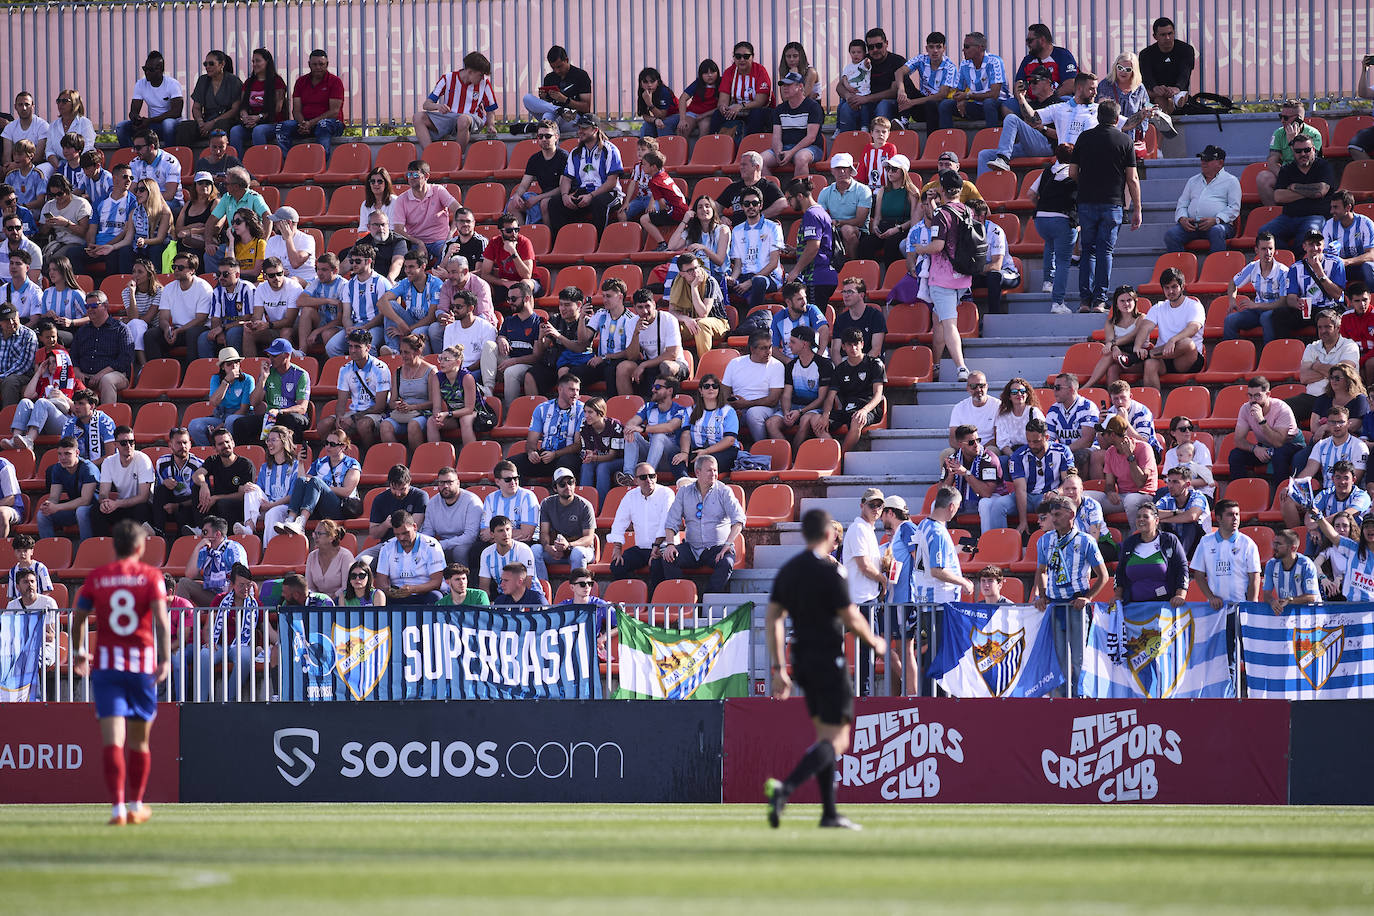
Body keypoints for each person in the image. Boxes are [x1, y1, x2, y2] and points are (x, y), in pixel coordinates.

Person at [765, 507, 886, 830]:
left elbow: (774, 619)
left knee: (824, 737)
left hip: (802, 660)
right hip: (828, 661)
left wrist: (779, 668)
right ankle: (785, 789)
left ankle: (829, 814)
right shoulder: (830, 571)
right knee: (838, 741)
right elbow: (850, 616)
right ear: (829, 535)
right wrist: (874, 641)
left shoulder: (789, 570)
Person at [71, 520, 169, 825]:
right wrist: (164, 660)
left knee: (113, 741)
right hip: (140, 668)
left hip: (107, 668)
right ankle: (136, 805)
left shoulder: (98, 577)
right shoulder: (151, 576)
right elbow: (162, 622)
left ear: (115, 547)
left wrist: (77, 650)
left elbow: (78, 618)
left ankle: (116, 809)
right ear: (140, 547)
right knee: (139, 743)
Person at [888, 487, 974, 686]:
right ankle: (935, 703)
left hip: (929, 602)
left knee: (932, 655)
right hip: (939, 603)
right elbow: (936, 570)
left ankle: (930, 700)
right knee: (939, 657)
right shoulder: (937, 532)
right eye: (958, 507)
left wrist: (956, 550)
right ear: (951, 506)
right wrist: (964, 582)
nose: (957, 511)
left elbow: (926, 561)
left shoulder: (924, 525)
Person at [1073, 99, 1142, 311]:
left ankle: (1085, 300)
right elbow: (1133, 179)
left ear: (1097, 117)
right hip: (1112, 204)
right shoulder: (1124, 140)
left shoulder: (1084, 138)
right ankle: (1100, 300)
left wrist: (1084, 187)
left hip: (1086, 203)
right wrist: (1137, 208)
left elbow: (1072, 172)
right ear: (1115, 118)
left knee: (1088, 251)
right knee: (1105, 252)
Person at [1032, 494, 1109, 681]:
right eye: (1052, 515)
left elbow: (1103, 576)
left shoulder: (1086, 541)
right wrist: (1042, 595)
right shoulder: (1044, 541)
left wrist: (1088, 597)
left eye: (1058, 514)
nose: (1054, 519)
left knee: (1078, 656)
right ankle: (1061, 701)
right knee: (1057, 657)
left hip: (1076, 605)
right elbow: (1041, 571)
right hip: (1055, 605)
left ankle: (1079, 697)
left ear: (1071, 514)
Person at [656, 454, 746, 593]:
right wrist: (670, 544)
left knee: (726, 563)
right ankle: (684, 596)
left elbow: (739, 519)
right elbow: (671, 521)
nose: (714, 474)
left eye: (715, 470)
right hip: (692, 547)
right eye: (709, 470)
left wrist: (727, 544)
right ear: (698, 472)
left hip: (718, 547)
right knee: (668, 558)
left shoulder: (724, 491)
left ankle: (707, 602)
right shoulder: (684, 492)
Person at [983, 417, 1074, 533]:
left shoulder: (1062, 451)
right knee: (998, 505)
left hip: (1048, 495)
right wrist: (1023, 521)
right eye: (1029, 441)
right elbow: (1020, 489)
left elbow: (1068, 481)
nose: (1032, 445)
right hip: (1026, 495)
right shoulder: (1018, 455)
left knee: (1049, 505)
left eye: (1036, 441)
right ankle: (1001, 544)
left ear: (1046, 437)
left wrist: (1057, 492)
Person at [928, 170, 973, 381]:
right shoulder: (967, 210)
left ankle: (961, 367)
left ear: (942, 190)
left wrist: (919, 248)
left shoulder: (941, 214)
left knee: (948, 324)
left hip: (943, 278)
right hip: (963, 276)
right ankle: (936, 364)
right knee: (938, 320)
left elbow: (937, 246)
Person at [1133, 268, 1206, 390]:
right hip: (1163, 356)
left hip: (1187, 358)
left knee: (1187, 343)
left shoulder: (1195, 306)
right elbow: (1145, 327)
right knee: (1150, 364)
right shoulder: (1159, 307)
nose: (1170, 291)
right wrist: (1137, 346)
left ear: (1182, 287)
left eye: (1174, 287)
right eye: (1166, 288)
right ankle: (1152, 406)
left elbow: (1193, 328)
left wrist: (1173, 340)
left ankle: (1148, 355)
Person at [549, 114, 623, 234]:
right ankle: (564, 241)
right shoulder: (575, 152)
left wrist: (591, 196)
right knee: (555, 203)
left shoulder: (610, 150)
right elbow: (567, 179)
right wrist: (565, 196)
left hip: (608, 193)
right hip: (584, 192)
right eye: (579, 128)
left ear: (595, 130)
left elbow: (611, 182)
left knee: (598, 203)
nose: (580, 131)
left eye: (584, 128)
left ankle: (599, 242)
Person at [1262, 134, 1335, 253]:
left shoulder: (1323, 166)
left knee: (1308, 235)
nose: (1303, 154)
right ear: (1293, 151)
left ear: (1313, 150)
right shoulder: (1287, 170)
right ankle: (1287, 258)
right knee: (1264, 233)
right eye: (1298, 151)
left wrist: (1294, 187)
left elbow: (1320, 191)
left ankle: (1300, 263)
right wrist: (1311, 192)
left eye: (1307, 150)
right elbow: (1278, 196)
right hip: (1288, 217)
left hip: (1315, 216)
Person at [818, 327, 886, 452]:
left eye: (856, 344)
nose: (854, 348)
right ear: (843, 347)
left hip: (868, 410)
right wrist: (825, 415)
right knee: (816, 421)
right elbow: (830, 397)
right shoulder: (839, 369)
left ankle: (840, 458)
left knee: (857, 420)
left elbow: (878, 395)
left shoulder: (875, 364)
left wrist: (864, 410)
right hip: (846, 410)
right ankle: (833, 453)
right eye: (849, 345)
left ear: (862, 344)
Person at [1290, 309, 1361, 427]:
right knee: (1281, 409)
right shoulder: (1312, 347)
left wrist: (1316, 366)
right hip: (1312, 399)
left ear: (1338, 328)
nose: (1323, 331)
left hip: (1340, 400)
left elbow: (1343, 374)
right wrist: (1333, 370)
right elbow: (1304, 378)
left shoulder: (1350, 346)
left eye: (1328, 327)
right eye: (1320, 327)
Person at [414, 52, 497, 151]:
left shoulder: (484, 83)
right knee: (418, 117)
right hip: (450, 118)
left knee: (463, 119)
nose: (482, 77)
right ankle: (430, 153)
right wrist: (438, 107)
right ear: (470, 72)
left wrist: (491, 125)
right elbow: (426, 104)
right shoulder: (448, 78)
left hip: (471, 118)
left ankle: (458, 158)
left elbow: (490, 110)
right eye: (480, 74)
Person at [1165, 145, 1241, 254]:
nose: (1203, 162)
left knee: (1217, 231)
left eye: (1208, 159)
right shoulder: (1192, 181)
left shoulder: (1231, 181)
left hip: (1219, 225)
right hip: (1192, 226)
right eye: (1202, 159)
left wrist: (1216, 220)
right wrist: (1183, 219)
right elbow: (1182, 204)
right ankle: (1178, 270)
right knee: (1171, 235)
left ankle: (1216, 268)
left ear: (1220, 163)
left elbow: (1234, 208)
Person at [324, 329, 390, 450]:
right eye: (350, 346)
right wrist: (339, 417)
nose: (353, 350)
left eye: (357, 347)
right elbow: (341, 401)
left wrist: (353, 418)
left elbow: (380, 406)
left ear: (368, 348)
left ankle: (368, 456)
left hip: (378, 413)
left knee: (363, 424)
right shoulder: (345, 369)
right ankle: (332, 458)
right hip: (355, 412)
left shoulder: (381, 368)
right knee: (325, 424)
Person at [1276, 230, 1347, 343]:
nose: (1315, 248)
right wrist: (1296, 303)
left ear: (1323, 245)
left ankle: (1322, 354)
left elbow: (1337, 294)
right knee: (1279, 315)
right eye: (1311, 244)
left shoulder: (1336, 263)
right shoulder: (1295, 268)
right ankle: (1286, 349)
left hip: (1329, 308)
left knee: (1323, 320)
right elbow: (1290, 298)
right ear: (1304, 246)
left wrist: (1320, 273)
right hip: (1307, 309)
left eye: (1318, 244)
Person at [1228, 376, 1304, 481]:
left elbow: (1278, 443)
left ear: (1268, 394)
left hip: (1291, 444)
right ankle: (1240, 491)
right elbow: (1238, 440)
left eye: (1257, 396)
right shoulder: (1245, 408)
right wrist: (1255, 449)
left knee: (1279, 454)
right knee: (1235, 455)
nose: (1253, 401)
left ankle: (1281, 492)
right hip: (1266, 446)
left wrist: (1261, 420)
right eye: (1250, 396)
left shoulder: (1282, 408)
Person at [607, 461, 674, 580]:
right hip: (642, 548)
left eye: (652, 476)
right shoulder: (630, 496)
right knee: (617, 566)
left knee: (656, 566)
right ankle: (632, 594)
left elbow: (666, 522)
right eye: (643, 477)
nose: (649, 480)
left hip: (663, 546)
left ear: (656, 477)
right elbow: (619, 523)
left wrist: (656, 546)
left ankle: (654, 598)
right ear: (636, 481)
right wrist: (617, 549)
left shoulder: (666, 493)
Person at [513, 372, 585, 481]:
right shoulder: (542, 409)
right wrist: (531, 452)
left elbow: (577, 445)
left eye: (577, 390)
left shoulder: (582, 410)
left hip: (569, 456)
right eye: (571, 389)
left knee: (564, 465)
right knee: (510, 465)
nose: (575, 394)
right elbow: (531, 441)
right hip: (546, 455)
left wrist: (555, 454)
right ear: (560, 389)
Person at [765, 329, 830, 449]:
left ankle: (794, 457)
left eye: (793, 342)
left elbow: (821, 399)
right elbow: (786, 395)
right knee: (771, 423)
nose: (789, 345)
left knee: (805, 420)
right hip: (794, 408)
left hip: (814, 408)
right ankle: (786, 455)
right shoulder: (791, 366)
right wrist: (786, 413)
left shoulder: (824, 364)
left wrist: (800, 412)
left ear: (804, 344)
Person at [619, 375, 690, 482]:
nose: (653, 390)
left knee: (659, 435)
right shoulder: (649, 406)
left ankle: (647, 473)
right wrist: (630, 428)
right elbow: (632, 422)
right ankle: (628, 475)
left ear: (670, 390)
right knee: (633, 433)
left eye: (657, 387)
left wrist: (643, 428)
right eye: (653, 386)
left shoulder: (680, 410)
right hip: (651, 453)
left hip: (670, 458)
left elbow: (670, 427)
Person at [1223, 232, 1291, 343]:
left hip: (1276, 311)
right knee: (1230, 320)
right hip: (1257, 310)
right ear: (1256, 250)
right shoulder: (1252, 267)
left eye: (1270, 248)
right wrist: (1232, 301)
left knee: (1266, 318)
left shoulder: (1283, 271)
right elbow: (1232, 283)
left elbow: (1284, 302)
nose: (1268, 253)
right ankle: (1231, 354)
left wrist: (1256, 305)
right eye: (1264, 249)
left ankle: (1268, 355)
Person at [1116, 503, 1189, 605]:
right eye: (1138, 517)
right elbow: (1120, 573)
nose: (1141, 519)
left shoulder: (1169, 540)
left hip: (1164, 606)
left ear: (1156, 520)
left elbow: (1182, 568)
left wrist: (1180, 595)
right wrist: (1118, 596)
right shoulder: (1129, 543)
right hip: (1133, 608)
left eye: (1146, 516)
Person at [276, 49, 346, 156]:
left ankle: (320, 163)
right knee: (282, 127)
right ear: (309, 65)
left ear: (327, 64)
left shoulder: (335, 81)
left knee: (323, 125)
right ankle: (289, 162)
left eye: (321, 64)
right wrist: (303, 124)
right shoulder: (301, 81)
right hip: (305, 124)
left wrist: (310, 123)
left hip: (331, 124)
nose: (318, 67)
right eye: (314, 64)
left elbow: (334, 112)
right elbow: (296, 110)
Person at [1094, 414, 1158, 531]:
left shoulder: (1144, 448)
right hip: (1122, 498)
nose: (1101, 437)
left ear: (1112, 435)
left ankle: (1138, 538)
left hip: (1144, 495)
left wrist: (1130, 456)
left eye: (1103, 433)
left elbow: (1140, 482)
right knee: (1087, 498)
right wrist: (1110, 492)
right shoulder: (1110, 452)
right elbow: (1109, 484)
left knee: (1131, 500)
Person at [532, 466, 595, 583]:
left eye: (570, 482)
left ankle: (577, 591)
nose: (568, 487)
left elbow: (589, 538)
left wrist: (569, 545)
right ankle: (543, 591)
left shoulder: (585, 505)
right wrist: (547, 547)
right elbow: (544, 532)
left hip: (581, 550)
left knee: (578, 553)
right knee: (535, 550)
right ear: (555, 488)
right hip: (557, 551)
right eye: (562, 484)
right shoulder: (547, 503)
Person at [202, 166, 269, 275]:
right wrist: (208, 242)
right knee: (210, 255)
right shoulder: (226, 198)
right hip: (234, 241)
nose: (224, 186)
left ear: (236, 186)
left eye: (227, 184)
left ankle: (234, 277)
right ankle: (217, 284)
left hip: (252, 242)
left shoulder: (255, 198)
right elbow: (211, 220)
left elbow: (268, 217)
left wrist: (264, 241)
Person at [70, 291, 134, 405]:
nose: (90, 309)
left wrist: (102, 374)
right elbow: (73, 355)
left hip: (114, 375)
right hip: (84, 375)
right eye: (87, 306)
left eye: (94, 305)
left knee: (107, 380)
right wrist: (76, 370)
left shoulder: (121, 329)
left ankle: (107, 419)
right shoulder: (82, 331)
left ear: (105, 306)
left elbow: (125, 359)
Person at [835, 28, 904, 132]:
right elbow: (840, 86)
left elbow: (894, 91)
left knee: (883, 106)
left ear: (886, 43)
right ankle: (847, 144)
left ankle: (880, 145)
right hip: (864, 103)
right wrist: (848, 96)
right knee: (846, 107)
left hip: (886, 103)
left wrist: (867, 99)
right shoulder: (863, 61)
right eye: (871, 47)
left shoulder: (897, 61)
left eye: (879, 45)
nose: (875, 49)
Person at [725, 188, 785, 308]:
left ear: (761, 205)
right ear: (742, 207)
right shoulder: (737, 230)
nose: (751, 207)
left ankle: (753, 319)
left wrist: (750, 282)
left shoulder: (773, 227)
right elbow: (738, 265)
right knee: (721, 281)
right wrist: (732, 278)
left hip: (768, 277)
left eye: (755, 203)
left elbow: (773, 263)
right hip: (744, 276)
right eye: (747, 204)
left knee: (758, 282)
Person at [380, 334, 440, 451]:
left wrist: (413, 407)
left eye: (406, 352)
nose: (402, 356)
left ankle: (417, 460)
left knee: (413, 425)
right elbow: (392, 401)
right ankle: (397, 460)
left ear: (417, 352)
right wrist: (398, 405)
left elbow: (433, 402)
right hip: (403, 413)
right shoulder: (398, 372)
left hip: (422, 413)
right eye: (401, 352)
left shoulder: (431, 371)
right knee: (384, 426)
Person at [391, 160, 460, 262]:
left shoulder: (438, 190)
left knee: (450, 256)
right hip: (415, 242)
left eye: (415, 174)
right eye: (409, 174)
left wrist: (450, 235)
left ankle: (437, 275)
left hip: (440, 240)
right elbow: (398, 229)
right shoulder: (401, 199)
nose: (411, 178)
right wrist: (419, 242)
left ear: (426, 176)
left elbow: (460, 211)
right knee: (410, 261)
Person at [515, 45, 592, 135]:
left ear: (566, 60)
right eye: (553, 68)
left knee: (548, 116)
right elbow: (545, 104)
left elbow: (586, 108)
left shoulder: (581, 75)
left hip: (573, 119)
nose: (557, 71)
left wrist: (565, 100)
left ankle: (540, 127)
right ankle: (558, 110)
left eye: (559, 67)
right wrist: (544, 98)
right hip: (555, 115)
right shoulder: (549, 78)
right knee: (527, 98)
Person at [243, 424, 301, 542]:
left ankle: (267, 549)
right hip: (266, 506)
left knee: (272, 513)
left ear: (284, 441)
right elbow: (259, 491)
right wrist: (249, 487)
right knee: (251, 488)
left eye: (273, 440)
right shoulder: (265, 467)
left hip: (286, 509)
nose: (269, 443)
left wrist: (271, 506)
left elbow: (293, 496)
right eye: (268, 440)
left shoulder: (296, 466)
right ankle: (249, 527)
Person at [174, 48, 241, 150]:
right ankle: (182, 161)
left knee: (220, 126)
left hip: (224, 120)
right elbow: (196, 107)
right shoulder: (203, 80)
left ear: (222, 64)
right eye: (205, 64)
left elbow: (235, 109)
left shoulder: (233, 81)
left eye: (211, 64)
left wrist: (213, 122)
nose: (207, 67)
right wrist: (201, 122)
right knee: (184, 127)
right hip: (206, 120)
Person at [375, 510, 446, 604]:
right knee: (380, 597)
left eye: (405, 533)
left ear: (415, 527)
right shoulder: (387, 547)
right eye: (397, 534)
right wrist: (389, 591)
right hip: (398, 594)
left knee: (436, 596)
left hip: (425, 592)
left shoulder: (431, 545)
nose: (401, 538)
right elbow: (381, 581)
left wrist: (413, 589)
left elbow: (437, 582)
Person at [174, 514, 247, 605]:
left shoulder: (234, 549)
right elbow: (189, 574)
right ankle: (181, 618)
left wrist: (228, 603)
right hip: (212, 595)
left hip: (232, 597)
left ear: (217, 534)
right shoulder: (204, 551)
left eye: (205, 532)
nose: (202, 536)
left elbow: (241, 577)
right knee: (184, 583)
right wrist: (197, 548)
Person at [191, 425, 254, 531]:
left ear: (233, 443)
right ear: (215, 448)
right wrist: (203, 485)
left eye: (227, 442)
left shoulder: (245, 464)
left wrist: (217, 498)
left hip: (237, 507)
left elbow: (242, 496)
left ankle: (225, 533)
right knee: (197, 488)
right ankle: (201, 528)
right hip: (217, 503)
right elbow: (197, 475)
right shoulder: (213, 460)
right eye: (220, 444)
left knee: (223, 503)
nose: (225, 446)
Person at [476, 459, 540, 561]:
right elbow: (485, 534)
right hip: (498, 543)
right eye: (508, 479)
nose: (513, 482)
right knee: (475, 551)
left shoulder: (527, 497)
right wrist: (508, 535)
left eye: (516, 478)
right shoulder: (490, 498)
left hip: (524, 543)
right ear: (497, 481)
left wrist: (496, 534)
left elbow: (526, 534)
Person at [761, 73, 822, 179]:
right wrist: (778, 152)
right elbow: (776, 137)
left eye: (789, 85)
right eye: (783, 85)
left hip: (811, 148)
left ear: (800, 86)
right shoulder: (779, 109)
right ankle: (773, 192)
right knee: (759, 161)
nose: (784, 88)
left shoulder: (813, 107)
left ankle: (799, 193)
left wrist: (791, 152)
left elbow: (811, 138)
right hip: (786, 147)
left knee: (801, 158)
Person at [941, 31, 1008, 128]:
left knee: (988, 103)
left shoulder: (994, 62)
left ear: (980, 48)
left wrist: (967, 96)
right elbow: (959, 90)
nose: (963, 50)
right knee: (945, 105)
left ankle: (993, 140)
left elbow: (994, 95)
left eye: (967, 46)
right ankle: (947, 140)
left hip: (998, 106)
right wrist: (960, 100)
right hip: (977, 104)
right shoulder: (965, 64)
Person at [894, 31, 958, 133]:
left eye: (938, 47)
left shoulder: (950, 67)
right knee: (902, 79)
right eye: (931, 47)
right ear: (926, 49)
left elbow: (941, 95)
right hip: (921, 104)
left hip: (938, 108)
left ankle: (931, 142)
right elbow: (899, 72)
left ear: (944, 49)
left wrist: (912, 103)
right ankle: (904, 120)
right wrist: (901, 90)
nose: (935, 51)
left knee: (931, 104)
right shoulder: (921, 59)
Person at [229, 47, 289, 155]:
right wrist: (245, 117)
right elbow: (243, 106)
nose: (255, 64)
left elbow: (277, 108)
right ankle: (238, 166)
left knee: (258, 131)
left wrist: (259, 118)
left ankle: (261, 164)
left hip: (272, 123)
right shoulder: (249, 82)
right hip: (251, 122)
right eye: (253, 61)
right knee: (235, 131)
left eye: (258, 61)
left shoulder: (277, 81)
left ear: (267, 62)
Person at [505, 121, 567, 226]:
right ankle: (522, 238)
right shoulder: (534, 159)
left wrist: (538, 198)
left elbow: (562, 188)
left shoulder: (563, 157)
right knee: (513, 205)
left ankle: (549, 238)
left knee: (544, 204)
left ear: (556, 137)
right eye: (540, 136)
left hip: (560, 198)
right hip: (543, 196)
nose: (543, 139)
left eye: (548, 136)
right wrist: (517, 196)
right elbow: (524, 185)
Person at [36, 435, 96, 540]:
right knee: (42, 514)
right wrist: (49, 505)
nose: (63, 458)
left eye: (67, 454)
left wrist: (57, 507)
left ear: (77, 453)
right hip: (73, 508)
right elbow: (54, 497)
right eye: (60, 454)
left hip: (93, 510)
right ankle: (48, 550)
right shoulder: (58, 468)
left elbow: (85, 501)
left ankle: (86, 549)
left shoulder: (88, 468)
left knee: (81, 511)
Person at [679, 372, 742, 474]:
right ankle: (683, 481)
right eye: (706, 386)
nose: (711, 389)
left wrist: (706, 452)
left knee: (707, 464)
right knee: (677, 459)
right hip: (698, 450)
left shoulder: (728, 411)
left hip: (724, 451)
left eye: (715, 386)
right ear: (701, 391)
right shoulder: (690, 410)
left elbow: (730, 440)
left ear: (718, 390)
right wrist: (684, 453)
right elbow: (685, 434)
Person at [420, 466, 484, 564]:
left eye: (449, 482)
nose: (445, 486)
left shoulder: (472, 501)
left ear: (458, 483)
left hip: (467, 544)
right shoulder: (432, 503)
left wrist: (443, 544)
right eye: (441, 482)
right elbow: (428, 531)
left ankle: (464, 578)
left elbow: (470, 536)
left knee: (460, 551)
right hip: (443, 543)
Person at [861, 154, 916, 266]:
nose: (890, 172)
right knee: (866, 243)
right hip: (884, 227)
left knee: (891, 244)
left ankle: (890, 278)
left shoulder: (912, 191)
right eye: (887, 168)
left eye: (894, 169)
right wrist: (875, 227)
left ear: (903, 172)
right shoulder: (882, 191)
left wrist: (897, 229)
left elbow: (914, 219)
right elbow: (877, 216)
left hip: (902, 228)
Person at [711, 41, 772, 137]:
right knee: (717, 114)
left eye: (746, 56)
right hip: (735, 110)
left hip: (755, 109)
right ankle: (716, 144)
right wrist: (723, 107)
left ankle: (751, 146)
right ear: (734, 58)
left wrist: (740, 106)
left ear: (752, 57)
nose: (742, 59)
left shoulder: (760, 71)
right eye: (738, 56)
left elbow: (760, 101)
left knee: (756, 114)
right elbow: (723, 100)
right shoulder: (729, 72)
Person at [478, 213, 538, 308]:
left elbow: (526, 275)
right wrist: (504, 282)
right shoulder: (494, 242)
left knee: (524, 285)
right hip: (506, 283)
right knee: (483, 286)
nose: (514, 234)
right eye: (509, 231)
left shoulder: (524, 242)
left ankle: (528, 318)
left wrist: (513, 252)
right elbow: (485, 274)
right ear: (500, 232)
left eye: (516, 230)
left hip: (529, 282)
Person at [1138, 17, 1195, 114]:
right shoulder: (1146, 54)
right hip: (1154, 95)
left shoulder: (1186, 50)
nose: (1167, 38)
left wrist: (1177, 88)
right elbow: (1146, 76)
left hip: (1177, 91)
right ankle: (1163, 119)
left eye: (1170, 33)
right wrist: (1155, 87)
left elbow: (1185, 73)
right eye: (1163, 35)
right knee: (1157, 98)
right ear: (1155, 36)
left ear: (1174, 33)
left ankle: (1173, 107)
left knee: (1180, 97)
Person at [1155, 465, 1212, 557]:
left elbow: (1192, 516)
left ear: (1187, 484)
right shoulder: (1167, 498)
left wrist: (1163, 519)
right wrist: (1174, 513)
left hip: (1200, 545)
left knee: (1191, 523)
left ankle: (1179, 558)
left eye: (1175, 482)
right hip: (1176, 541)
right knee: (1158, 525)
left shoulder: (1198, 497)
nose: (1170, 486)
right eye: (1169, 481)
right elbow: (1151, 514)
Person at [476, 515, 539, 597]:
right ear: (492, 534)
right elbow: (484, 588)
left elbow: (526, 583)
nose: (506, 534)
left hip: (530, 596)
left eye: (508, 529)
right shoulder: (486, 553)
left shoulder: (523, 550)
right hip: (504, 597)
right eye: (501, 531)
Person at [1263, 528, 1323, 614]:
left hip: (1310, 615)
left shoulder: (1306, 565)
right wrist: (1272, 602)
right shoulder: (1271, 564)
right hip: (1287, 614)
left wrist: (1290, 601)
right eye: (1274, 543)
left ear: (1292, 548)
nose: (1274, 547)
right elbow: (1266, 594)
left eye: (1278, 544)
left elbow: (1312, 597)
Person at [717, 151, 786, 224]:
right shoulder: (733, 187)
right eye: (741, 165)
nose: (741, 167)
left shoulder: (768, 186)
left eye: (744, 165)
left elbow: (782, 203)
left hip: (761, 231)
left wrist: (760, 216)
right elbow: (715, 205)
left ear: (757, 167)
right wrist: (721, 216)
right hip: (738, 231)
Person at [1324, 190, 1374, 290]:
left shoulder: (1365, 223)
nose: (1331, 211)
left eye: (1336, 207)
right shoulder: (1329, 225)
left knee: (1368, 267)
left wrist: (1347, 262)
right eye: (1331, 207)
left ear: (1348, 207)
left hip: (1360, 267)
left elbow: (1371, 255)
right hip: (1341, 268)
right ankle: (1334, 302)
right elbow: (1325, 253)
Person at [263, 206, 316, 284]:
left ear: (288, 223)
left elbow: (295, 263)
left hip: (305, 280)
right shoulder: (272, 240)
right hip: (279, 279)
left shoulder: (307, 239)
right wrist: (278, 271)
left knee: (292, 282)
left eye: (277, 222)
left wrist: (288, 239)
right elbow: (267, 265)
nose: (274, 225)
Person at [671, 59, 720, 141]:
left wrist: (703, 116)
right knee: (683, 129)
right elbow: (682, 99)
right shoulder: (698, 83)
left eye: (712, 72)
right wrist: (682, 120)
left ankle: (700, 152)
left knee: (705, 126)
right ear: (701, 75)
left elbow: (721, 105)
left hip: (708, 115)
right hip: (693, 113)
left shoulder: (721, 84)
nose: (710, 75)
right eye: (706, 73)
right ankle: (681, 152)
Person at [304, 519, 353, 598]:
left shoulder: (345, 556)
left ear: (331, 537)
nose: (315, 537)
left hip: (340, 601)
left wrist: (329, 600)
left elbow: (346, 587)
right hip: (318, 602)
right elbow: (310, 587)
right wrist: (319, 600)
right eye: (315, 533)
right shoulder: (311, 556)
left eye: (319, 533)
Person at [633, 67, 678, 139]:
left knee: (663, 125)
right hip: (658, 118)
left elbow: (662, 115)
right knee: (646, 126)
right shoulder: (643, 94)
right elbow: (645, 116)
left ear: (658, 82)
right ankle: (646, 149)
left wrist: (649, 104)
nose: (649, 85)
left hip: (675, 115)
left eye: (652, 81)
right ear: (641, 84)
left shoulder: (664, 91)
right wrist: (655, 120)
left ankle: (666, 148)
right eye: (645, 82)